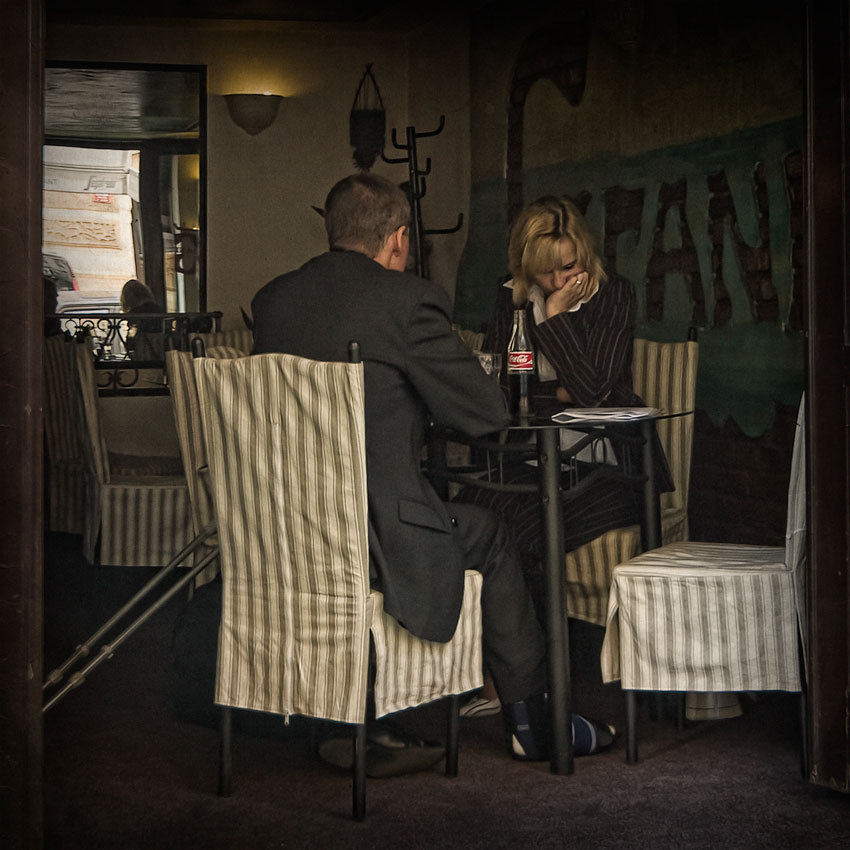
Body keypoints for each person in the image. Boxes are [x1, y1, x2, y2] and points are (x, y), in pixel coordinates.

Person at [251, 174, 613, 772]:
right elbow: (485, 413)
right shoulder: (406, 301)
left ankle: (338, 709)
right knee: (490, 532)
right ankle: (534, 722)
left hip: (284, 529)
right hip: (374, 536)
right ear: (398, 239)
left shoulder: (273, 301)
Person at [455, 195, 672, 719]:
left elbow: (594, 391)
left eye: (568, 267)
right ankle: (514, 677)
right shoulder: (510, 298)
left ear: (585, 255)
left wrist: (553, 319)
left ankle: (522, 683)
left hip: (610, 468)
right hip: (533, 458)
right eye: (546, 273)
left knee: (525, 521)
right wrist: (558, 387)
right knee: (472, 512)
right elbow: (501, 388)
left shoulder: (613, 294)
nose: (558, 281)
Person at [120, 278, 164, 360]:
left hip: (144, 351)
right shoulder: (158, 309)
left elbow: (131, 338)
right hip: (161, 351)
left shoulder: (135, 314)